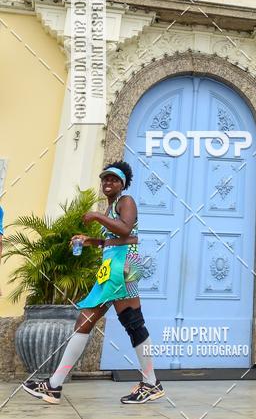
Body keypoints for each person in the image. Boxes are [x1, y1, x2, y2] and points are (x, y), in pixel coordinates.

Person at [23, 161, 164, 405]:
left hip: (122, 265)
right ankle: (150, 382)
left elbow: (125, 229)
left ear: (122, 184)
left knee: (102, 320)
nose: (108, 182)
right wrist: (91, 241)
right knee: (127, 322)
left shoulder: (126, 201)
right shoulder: (111, 207)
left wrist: (97, 216)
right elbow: (116, 238)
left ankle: (54, 385)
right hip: (117, 265)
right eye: (105, 179)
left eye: (114, 179)